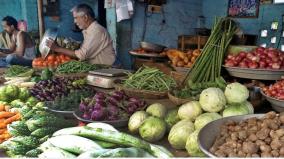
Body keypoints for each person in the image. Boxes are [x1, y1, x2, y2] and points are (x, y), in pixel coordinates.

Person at [47, 4, 115, 65]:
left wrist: (57, 49)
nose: (74, 21)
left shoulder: (97, 31)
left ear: (85, 17)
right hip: (97, 69)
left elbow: (82, 55)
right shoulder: (88, 30)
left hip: (105, 70)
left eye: (76, 18)